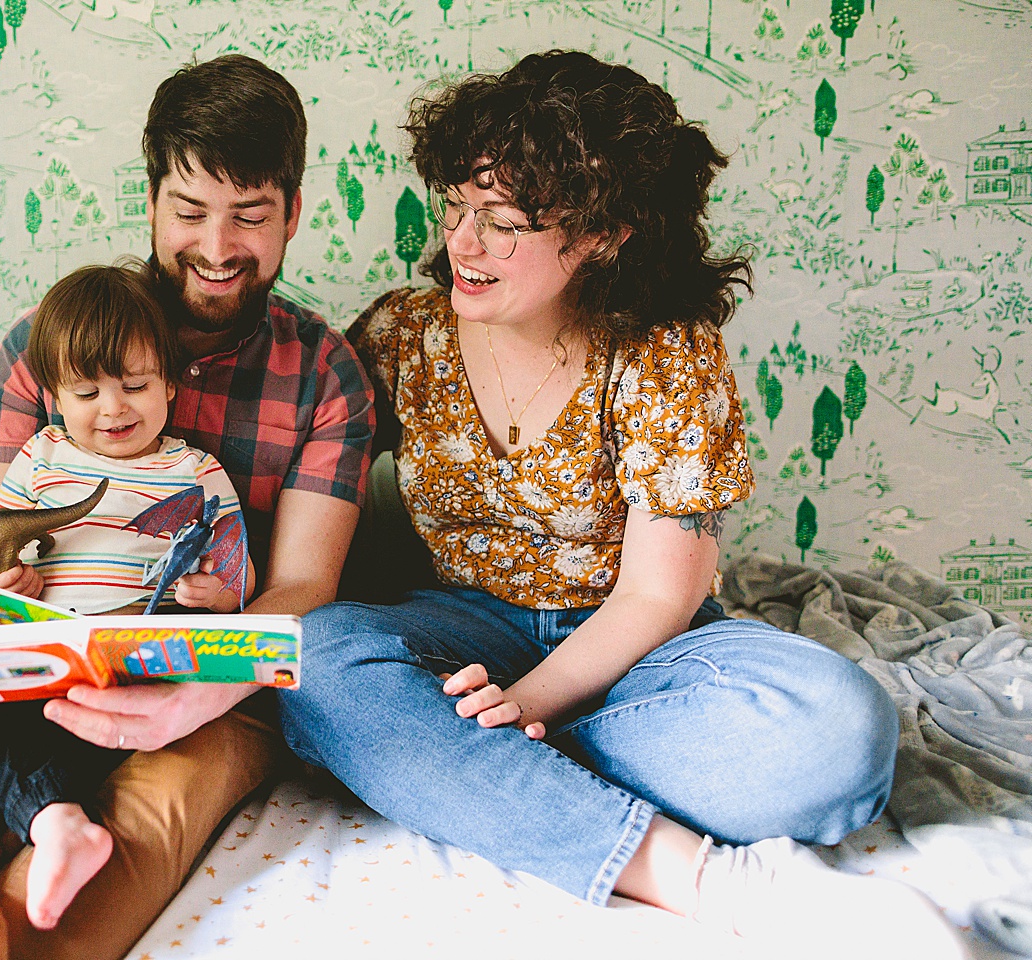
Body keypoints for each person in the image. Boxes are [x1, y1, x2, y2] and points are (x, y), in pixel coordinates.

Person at [279, 50, 966, 960]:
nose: (462, 243)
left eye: (502, 222)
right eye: (457, 206)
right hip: (462, 623)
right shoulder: (406, 331)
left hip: (642, 648)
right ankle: (694, 877)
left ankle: (463, 771)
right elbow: (297, 473)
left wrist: (518, 711)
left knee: (841, 736)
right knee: (309, 664)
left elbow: (656, 597)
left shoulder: (664, 352)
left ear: (602, 233)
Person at [0, 54, 375, 960]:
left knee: (131, 831)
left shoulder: (324, 374)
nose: (219, 245)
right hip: (31, 667)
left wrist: (203, 693)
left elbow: (305, 582)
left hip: (207, 689)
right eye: (190, 212)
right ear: (151, 203)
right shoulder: (43, 348)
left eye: (251, 216)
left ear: (294, 216)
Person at [0, 260, 255, 933]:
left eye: (135, 386)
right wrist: (5, 580)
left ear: (172, 385)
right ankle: (59, 823)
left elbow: (239, 577)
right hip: (48, 652)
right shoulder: (40, 458)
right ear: (56, 396)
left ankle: (47, 815)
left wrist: (216, 594)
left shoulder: (196, 471)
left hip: (140, 656)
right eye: (87, 392)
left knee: (98, 703)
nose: (113, 409)